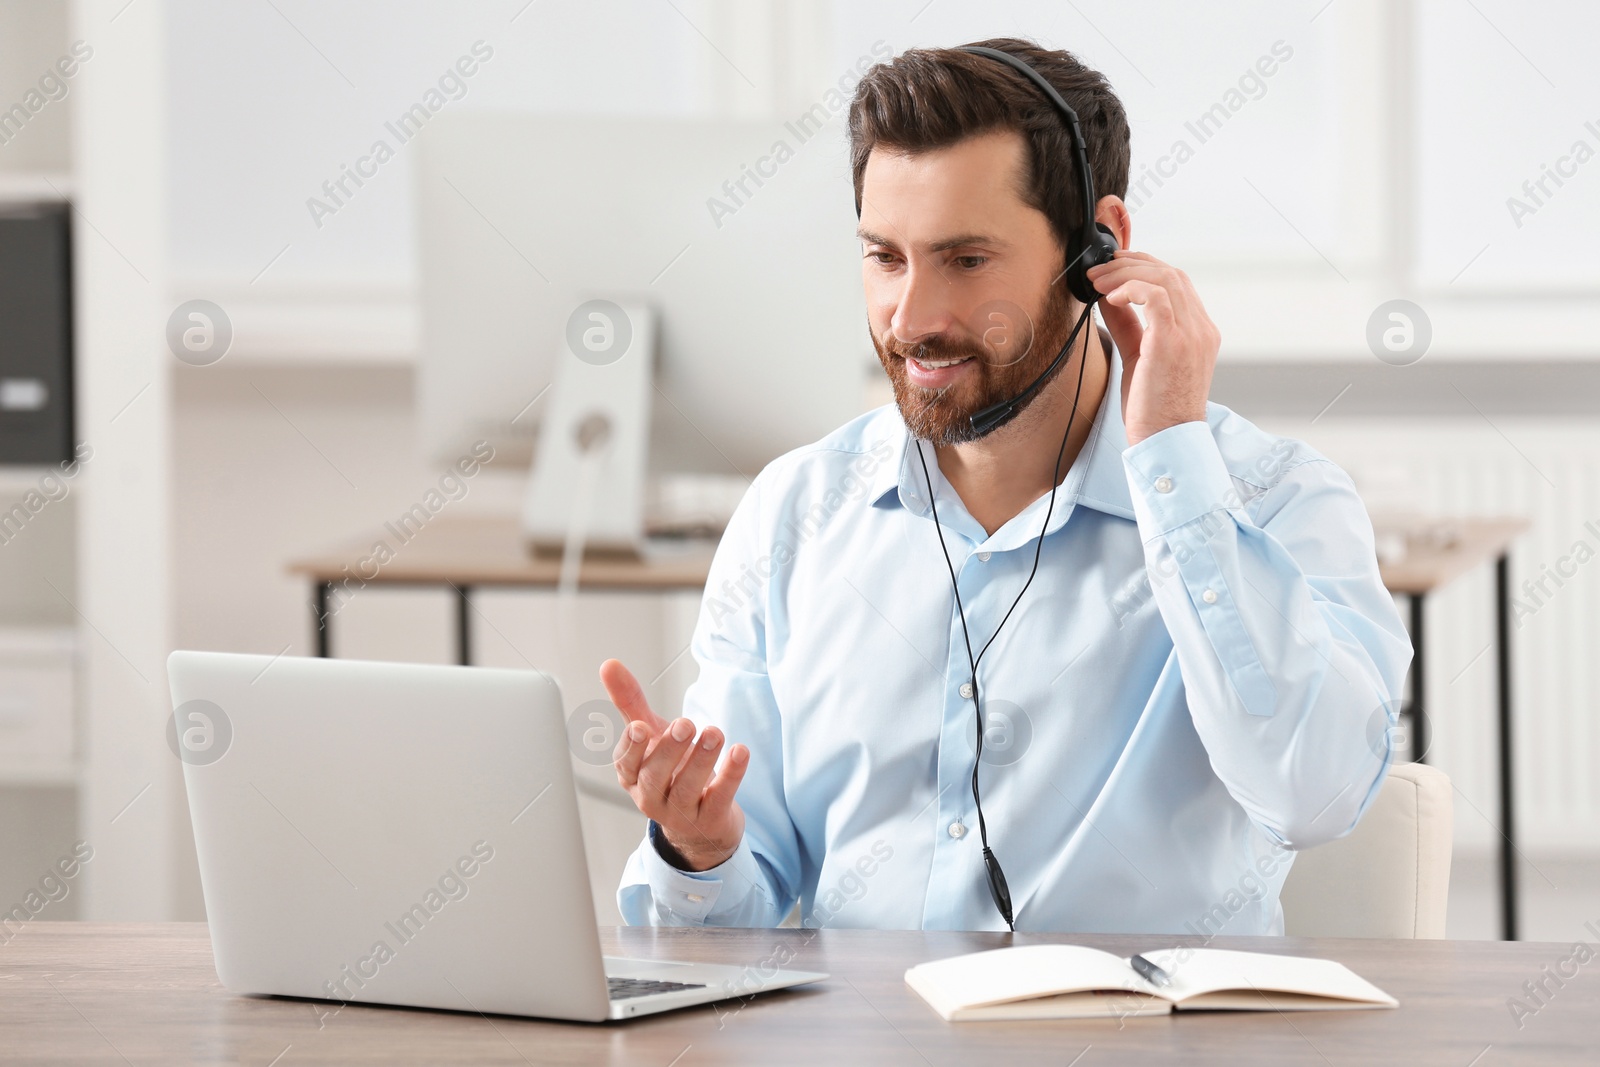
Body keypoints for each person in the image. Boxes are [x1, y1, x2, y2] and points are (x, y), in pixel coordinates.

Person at [602, 38, 1411, 934]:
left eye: (966, 260)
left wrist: (1176, 462)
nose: (911, 319)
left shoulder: (1276, 499)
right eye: (885, 258)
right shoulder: (794, 515)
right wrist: (701, 852)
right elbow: (728, 933)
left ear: (1096, 246)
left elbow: (1313, 794)